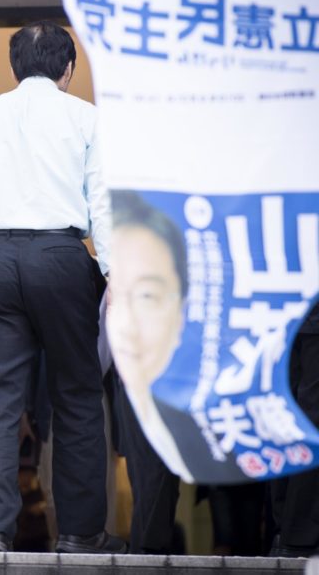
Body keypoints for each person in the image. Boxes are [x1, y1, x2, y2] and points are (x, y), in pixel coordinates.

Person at [0, 21, 122, 554]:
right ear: (68, 69)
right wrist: (113, 272)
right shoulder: (87, 117)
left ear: (15, 66)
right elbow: (103, 205)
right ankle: (81, 532)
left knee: (0, 398)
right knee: (78, 394)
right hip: (62, 257)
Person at [107, 190, 247, 552]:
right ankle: (155, 553)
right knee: (154, 477)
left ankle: (228, 545)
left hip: (185, 363)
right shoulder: (146, 232)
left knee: (205, 468)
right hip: (151, 364)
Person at [270, 304, 319, 557]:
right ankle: (299, 535)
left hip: (283, 313)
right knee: (310, 420)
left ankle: (285, 531)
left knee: (285, 418)